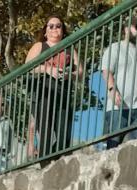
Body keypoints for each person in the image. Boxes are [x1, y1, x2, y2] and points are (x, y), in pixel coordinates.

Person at [25, 16, 83, 159]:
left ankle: (54, 161)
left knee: (64, 136)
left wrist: (71, 75)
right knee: (45, 133)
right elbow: (28, 67)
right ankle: (45, 163)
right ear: (45, 31)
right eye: (51, 26)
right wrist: (47, 69)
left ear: (63, 30)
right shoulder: (39, 46)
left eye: (58, 26)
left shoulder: (69, 48)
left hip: (62, 94)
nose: (54, 29)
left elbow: (81, 71)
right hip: (43, 93)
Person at [99, 18, 137, 149]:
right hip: (118, 108)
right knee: (113, 148)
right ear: (126, 29)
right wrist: (112, 90)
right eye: (136, 27)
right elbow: (106, 71)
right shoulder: (115, 48)